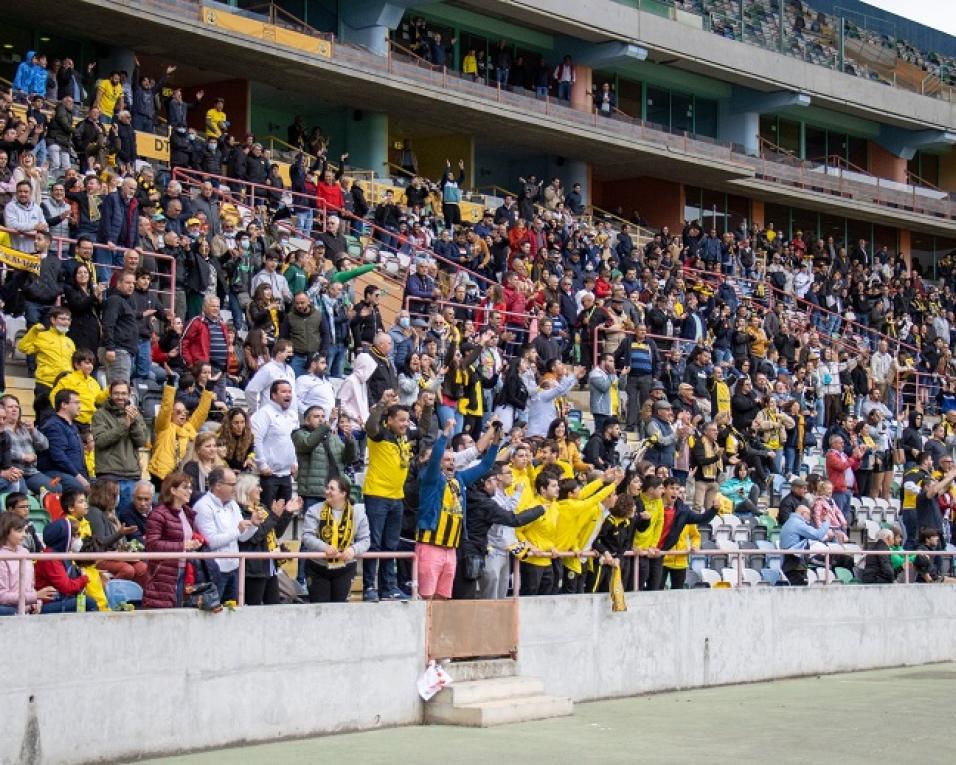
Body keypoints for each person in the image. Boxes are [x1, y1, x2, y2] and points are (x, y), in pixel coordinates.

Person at [416, 419, 500, 600]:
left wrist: (496, 442)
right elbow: (436, 457)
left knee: (444, 597)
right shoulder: (431, 480)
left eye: (453, 459)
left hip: (452, 548)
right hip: (431, 546)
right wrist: (445, 433)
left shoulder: (460, 479)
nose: (451, 462)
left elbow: (485, 466)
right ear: (438, 463)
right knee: (426, 598)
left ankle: (439, 629)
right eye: (446, 459)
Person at [456, 462, 546, 599]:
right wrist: (540, 509)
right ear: (486, 483)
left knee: (496, 594)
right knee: (484, 596)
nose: (497, 484)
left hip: (481, 550)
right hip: (483, 551)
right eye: (494, 480)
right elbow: (513, 519)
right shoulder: (485, 503)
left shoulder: (472, 497)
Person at [362, 390, 413, 602]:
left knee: (390, 545)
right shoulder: (379, 435)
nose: (405, 424)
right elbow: (370, 425)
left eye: (407, 421)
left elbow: (426, 430)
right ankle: (369, 587)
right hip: (377, 496)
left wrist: (428, 407)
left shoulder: (402, 440)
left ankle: (388, 587)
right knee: (374, 544)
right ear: (389, 420)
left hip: (396, 498)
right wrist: (382, 404)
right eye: (401, 420)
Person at [301, 477, 371, 602]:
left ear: (343, 493)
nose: (327, 491)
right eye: (327, 488)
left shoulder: (358, 513)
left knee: (339, 610)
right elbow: (307, 537)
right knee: (320, 609)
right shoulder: (314, 510)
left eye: (332, 489)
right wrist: (324, 547)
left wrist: (353, 550)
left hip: (345, 568)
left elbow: (365, 540)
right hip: (318, 568)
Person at [193, 467, 256, 603]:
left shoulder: (233, 504)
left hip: (234, 567)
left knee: (233, 612)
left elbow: (242, 538)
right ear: (218, 485)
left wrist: (253, 525)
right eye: (232, 484)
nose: (235, 488)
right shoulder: (203, 506)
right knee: (212, 612)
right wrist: (238, 530)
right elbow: (211, 541)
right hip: (214, 570)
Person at [235, 472, 298, 605]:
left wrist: (287, 513)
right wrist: (274, 516)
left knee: (274, 606)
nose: (261, 489)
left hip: (269, 566)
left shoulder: (261, 508)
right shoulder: (240, 511)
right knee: (254, 607)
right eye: (257, 486)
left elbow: (276, 532)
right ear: (246, 488)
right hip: (254, 569)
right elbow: (255, 537)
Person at [142, 472, 202, 609]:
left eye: (190, 487)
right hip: (163, 573)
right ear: (173, 490)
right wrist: (183, 545)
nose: (190, 491)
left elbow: (183, 539)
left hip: (184, 569)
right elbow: (152, 544)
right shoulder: (158, 514)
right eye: (185, 487)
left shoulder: (187, 512)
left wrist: (192, 544)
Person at [91, 381, 149, 514]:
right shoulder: (100, 414)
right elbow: (100, 440)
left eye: (124, 393)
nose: (120, 397)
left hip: (132, 476)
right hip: (109, 476)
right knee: (109, 517)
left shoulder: (135, 414)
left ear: (129, 395)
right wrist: (125, 425)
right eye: (116, 393)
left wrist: (133, 423)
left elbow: (141, 441)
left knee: (128, 519)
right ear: (110, 395)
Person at [147, 380, 215, 487]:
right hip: (161, 476)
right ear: (171, 413)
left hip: (182, 476)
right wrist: (170, 383)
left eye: (185, 412)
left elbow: (202, 412)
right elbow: (165, 409)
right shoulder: (163, 426)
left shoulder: (189, 427)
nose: (182, 414)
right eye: (178, 412)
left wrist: (209, 388)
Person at [17, 306, 75, 422]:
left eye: (68, 320)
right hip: (45, 385)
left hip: (64, 387)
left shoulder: (70, 342)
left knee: (62, 420)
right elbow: (23, 347)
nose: (65, 322)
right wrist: (33, 331)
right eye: (62, 319)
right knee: (44, 419)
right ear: (53, 320)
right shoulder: (41, 336)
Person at [29, 518, 98, 613]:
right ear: (65, 537)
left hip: (61, 599)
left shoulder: (63, 554)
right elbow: (67, 587)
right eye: (76, 535)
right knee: (88, 603)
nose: (79, 538)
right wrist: (84, 579)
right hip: (46, 604)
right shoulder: (50, 558)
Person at [86, 479, 146, 586]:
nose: (118, 497)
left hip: (116, 555)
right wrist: (120, 533)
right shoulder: (94, 512)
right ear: (107, 495)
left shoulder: (111, 513)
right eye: (116, 494)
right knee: (127, 570)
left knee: (142, 568)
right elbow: (101, 542)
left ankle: (137, 601)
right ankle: (109, 595)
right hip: (100, 558)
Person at [251, 380, 299, 509]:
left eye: (289, 392)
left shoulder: (292, 415)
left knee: (284, 515)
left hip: (286, 475)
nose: (288, 395)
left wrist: (295, 462)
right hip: (269, 476)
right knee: (266, 515)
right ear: (273, 395)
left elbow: (293, 442)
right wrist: (262, 465)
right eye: (283, 392)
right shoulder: (263, 414)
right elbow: (256, 440)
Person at [37, 389, 89, 492]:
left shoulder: (73, 426)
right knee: (77, 487)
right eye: (76, 403)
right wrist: (78, 476)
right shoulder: (53, 426)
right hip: (55, 473)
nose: (80, 406)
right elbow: (58, 456)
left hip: (75, 473)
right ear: (64, 405)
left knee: (105, 487)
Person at [99, 271, 139, 385]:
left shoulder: (124, 301)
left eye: (133, 283)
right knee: (119, 390)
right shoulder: (115, 300)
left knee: (116, 389)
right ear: (118, 284)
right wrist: (110, 348)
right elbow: (108, 324)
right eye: (128, 282)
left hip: (121, 351)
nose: (131, 285)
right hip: (117, 351)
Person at [779, 503, 832, 586]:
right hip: (795, 562)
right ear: (804, 513)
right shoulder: (798, 523)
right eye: (809, 514)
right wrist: (826, 522)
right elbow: (817, 535)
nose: (810, 518)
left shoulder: (789, 522)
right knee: (800, 589)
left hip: (790, 562)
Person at [244, 338, 297, 414]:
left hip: (289, 417)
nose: (291, 355)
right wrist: (254, 411)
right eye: (288, 352)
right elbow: (251, 390)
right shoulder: (268, 369)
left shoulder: (290, 370)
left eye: (292, 352)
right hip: (271, 416)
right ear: (279, 353)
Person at [181, 432, 225, 506]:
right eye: (208, 446)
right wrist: (214, 497)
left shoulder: (220, 466)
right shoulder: (191, 467)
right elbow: (191, 492)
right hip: (199, 506)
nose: (212, 449)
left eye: (214, 446)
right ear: (198, 449)